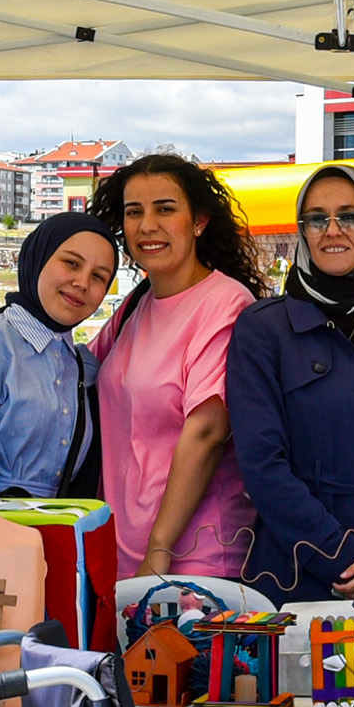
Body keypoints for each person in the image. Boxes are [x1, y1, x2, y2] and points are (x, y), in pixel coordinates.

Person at [228, 164, 354, 604]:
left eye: (350, 216)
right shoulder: (263, 330)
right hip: (292, 575)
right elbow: (262, 464)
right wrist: (346, 558)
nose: (333, 230)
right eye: (317, 219)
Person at [89, 154, 266, 581]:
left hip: (193, 558)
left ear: (199, 221)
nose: (147, 225)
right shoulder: (136, 306)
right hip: (124, 551)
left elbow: (207, 432)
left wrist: (159, 550)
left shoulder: (225, 303)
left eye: (165, 209)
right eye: (135, 212)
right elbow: (79, 371)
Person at [0, 212, 119, 497]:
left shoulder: (84, 367)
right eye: (71, 263)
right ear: (38, 257)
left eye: (98, 277)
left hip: (59, 523)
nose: (83, 282)